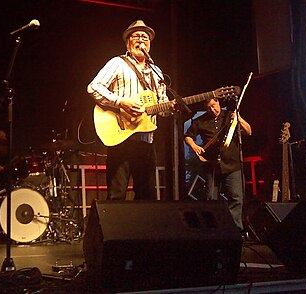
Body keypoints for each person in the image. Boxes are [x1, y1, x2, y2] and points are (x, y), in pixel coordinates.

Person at [87, 20, 174, 200]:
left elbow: (162, 108)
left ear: (150, 45)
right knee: (117, 193)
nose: (141, 40)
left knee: (147, 195)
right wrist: (120, 102)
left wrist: (169, 107)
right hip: (121, 136)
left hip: (146, 139)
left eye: (145, 37)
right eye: (136, 36)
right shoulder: (118, 63)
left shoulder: (157, 72)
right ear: (128, 42)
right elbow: (94, 87)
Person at [184, 97, 252, 231]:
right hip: (212, 166)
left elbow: (249, 131)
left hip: (233, 164)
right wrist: (194, 146)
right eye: (208, 107)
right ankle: (213, 230)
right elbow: (187, 136)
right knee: (211, 199)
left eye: (214, 105)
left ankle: (234, 229)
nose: (212, 109)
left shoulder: (229, 116)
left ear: (219, 103)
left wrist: (239, 119)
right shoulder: (200, 121)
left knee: (236, 198)